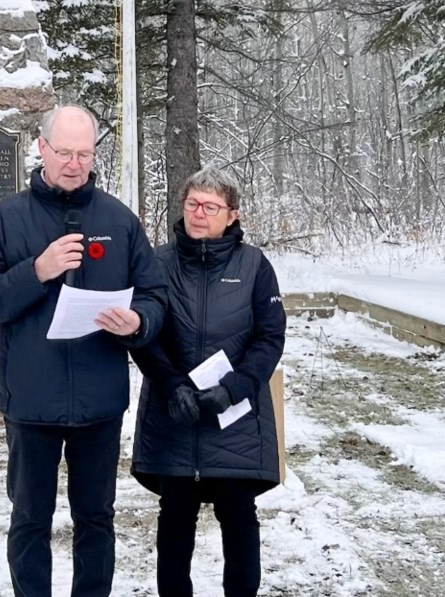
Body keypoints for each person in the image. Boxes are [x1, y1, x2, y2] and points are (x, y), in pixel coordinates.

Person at [0, 105, 167, 597]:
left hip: (99, 402)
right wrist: (37, 271)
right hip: (31, 402)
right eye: (64, 153)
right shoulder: (5, 219)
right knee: (31, 519)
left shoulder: (118, 219)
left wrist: (138, 321)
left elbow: (155, 295)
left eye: (85, 154)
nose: (75, 164)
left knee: (96, 519)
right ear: (42, 147)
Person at [130, 167, 286, 597]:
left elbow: (270, 337)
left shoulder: (254, 265)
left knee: (239, 519)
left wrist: (237, 386)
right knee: (174, 521)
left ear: (232, 215)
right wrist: (171, 384)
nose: (199, 213)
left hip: (234, 419)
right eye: (192, 204)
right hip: (174, 414)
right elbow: (144, 336)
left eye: (211, 206)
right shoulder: (157, 263)